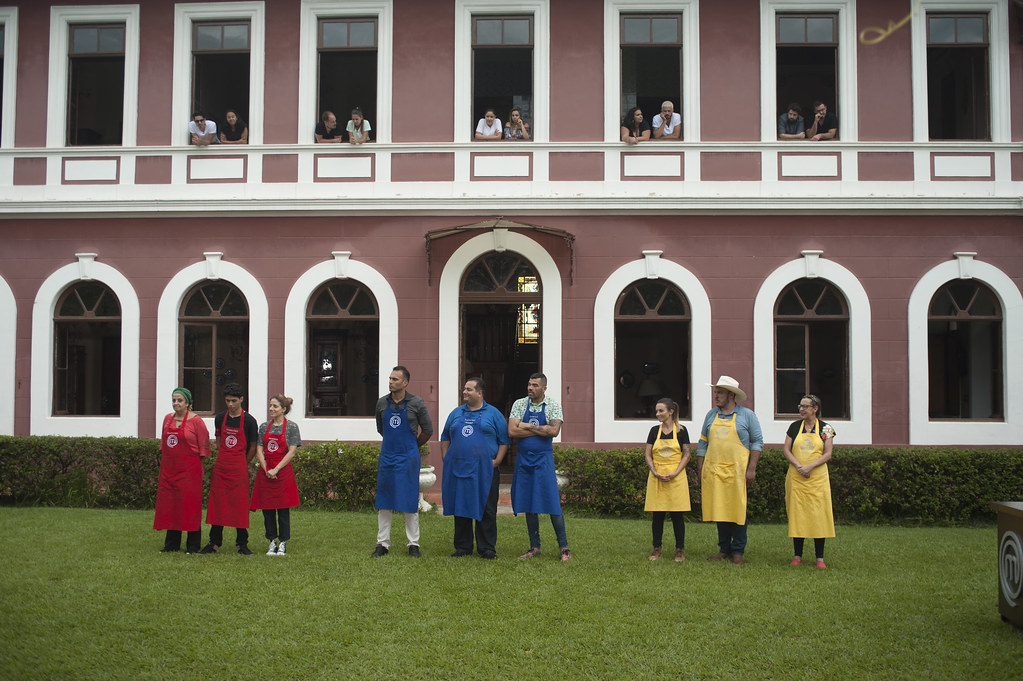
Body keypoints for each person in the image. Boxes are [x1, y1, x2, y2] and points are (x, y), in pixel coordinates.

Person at [440, 377, 510, 559]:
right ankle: (462, 547)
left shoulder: (493, 414)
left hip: (485, 470)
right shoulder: (456, 413)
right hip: (459, 468)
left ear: (480, 393)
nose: (465, 392)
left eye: (469, 389)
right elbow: (445, 436)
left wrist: (497, 461)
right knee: (461, 505)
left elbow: (504, 441)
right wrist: (446, 457)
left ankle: (487, 548)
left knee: (486, 508)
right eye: (464, 389)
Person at [697, 376, 763, 565]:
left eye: (719, 393)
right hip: (715, 470)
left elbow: (757, 442)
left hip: (737, 471)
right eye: (715, 392)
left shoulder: (747, 415)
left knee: (737, 509)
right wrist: (700, 469)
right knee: (720, 508)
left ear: (731, 395)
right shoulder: (711, 415)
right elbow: (703, 443)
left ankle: (738, 551)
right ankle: (724, 549)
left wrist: (752, 469)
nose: (715, 396)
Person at [372, 366, 434, 559]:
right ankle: (382, 543)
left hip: (408, 458)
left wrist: (413, 446)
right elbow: (381, 428)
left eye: (395, 379)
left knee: (410, 499)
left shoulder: (417, 403)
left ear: (405, 382)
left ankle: (413, 544)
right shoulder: (382, 403)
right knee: (384, 500)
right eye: (390, 378)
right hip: (388, 457)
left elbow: (428, 430)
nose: (390, 382)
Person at [508, 373, 571, 562]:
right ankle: (535, 547)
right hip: (524, 460)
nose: (530, 388)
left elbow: (553, 431)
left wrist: (526, 426)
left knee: (553, 504)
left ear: (544, 388)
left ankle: (564, 548)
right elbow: (512, 431)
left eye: (535, 385)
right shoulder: (519, 404)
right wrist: (540, 429)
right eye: (529, 384)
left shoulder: (552, 404)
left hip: (544, 460)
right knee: (529, 504)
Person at [200, 383, 258, 555]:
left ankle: (242, 544)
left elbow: (253, 447)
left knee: (239, 505)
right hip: (221, 467)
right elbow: (218, 440)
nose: (230, 404)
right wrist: (224, 458)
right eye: (227, 401)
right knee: (218, 505)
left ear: (241, 399)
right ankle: (214, 543)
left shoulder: (249, 421)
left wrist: (242, 463)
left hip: (239, 468)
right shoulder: (220, 418)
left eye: (234, 401)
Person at [154, 388, 211, 553]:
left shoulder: (196, 421)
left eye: (179, 400)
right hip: (169, 469)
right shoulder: (167, 419)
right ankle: (171, 544)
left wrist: (199, 463)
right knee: (171, 506)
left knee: (189, 506)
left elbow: (204, 444)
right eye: (174, 400)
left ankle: (193, 545)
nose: (176, 404)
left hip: (189, 471)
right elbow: (164, 444)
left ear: (188, 403)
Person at [783, 394, 836, 569]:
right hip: (797, 478)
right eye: (800, 406)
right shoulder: (794, 427)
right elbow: (786, 450)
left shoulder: (826, 428)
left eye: (805, 406)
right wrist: (799, 466)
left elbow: (827, 454)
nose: (801, 409)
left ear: (815, 409)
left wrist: (810, 467)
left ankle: (819, 558)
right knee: (798, 516)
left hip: (817, 480)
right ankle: (797, 555)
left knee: (818, 516)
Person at [250, 394, 301, 556]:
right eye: (270, 406)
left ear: (283, 409)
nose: (271, 409)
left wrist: (276, 469)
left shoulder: (292, 427)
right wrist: (266, 469)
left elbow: (291, 452)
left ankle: (283, 542)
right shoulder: (264, 427)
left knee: (283, 510)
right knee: (268, 510)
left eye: (275, 406)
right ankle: (272, 541)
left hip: (282, 472)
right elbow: (259, 449)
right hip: (266, 472)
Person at [644, 397, 691, 561]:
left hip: (676, 477)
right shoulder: (653, 431)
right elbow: (648, 454)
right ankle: (656, 548)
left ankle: (680, 549)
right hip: (657, 476)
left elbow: (686, 455)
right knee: (657, 514)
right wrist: (654, 471)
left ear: (671, 412)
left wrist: (676, 472)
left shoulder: (682, 431)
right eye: (657, 411)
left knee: (677, 515)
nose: (658, 414)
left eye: (661, 410)